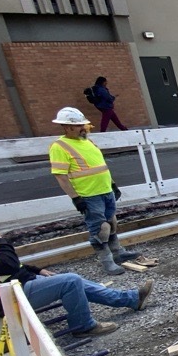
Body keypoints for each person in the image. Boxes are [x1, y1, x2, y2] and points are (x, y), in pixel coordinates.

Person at [0, 202, 153, 337]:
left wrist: (36, 270)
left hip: (8, 289)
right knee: (69, 281)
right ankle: (83, 326)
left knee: (71, 279)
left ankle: (130, 299)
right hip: (1, 301)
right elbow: (7, 264)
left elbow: (1, 267)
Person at [49, 107, 139, 275]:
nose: (85, 128)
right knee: (100, 229)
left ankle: (118, 252)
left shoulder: (87, 142)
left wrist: (113, 185)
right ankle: (107, 262)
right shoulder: (60, 147)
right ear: (67, 127)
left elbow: (100, 166)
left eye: (84, 125)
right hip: (89, 195)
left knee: (111, 223)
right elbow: (60, 176)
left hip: (105, 190)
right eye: (79, 126)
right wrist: (75, 198)